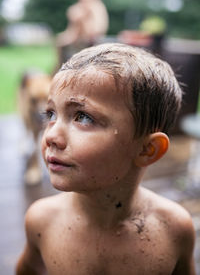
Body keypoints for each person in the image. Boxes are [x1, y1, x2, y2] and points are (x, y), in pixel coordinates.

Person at [16, 43, 196, 275]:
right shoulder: (41, 221)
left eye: (83, 117)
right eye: (51, 114)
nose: (50, 135)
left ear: (147, 150)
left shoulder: (173, 229)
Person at [56, 0, 109, 68]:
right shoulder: (77, 7)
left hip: (91, 41)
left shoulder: (97, 6)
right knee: (60, 41)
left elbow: (99, 29)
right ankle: (59, 68)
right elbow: (71, 30)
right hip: (77, 41)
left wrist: (82, 19)